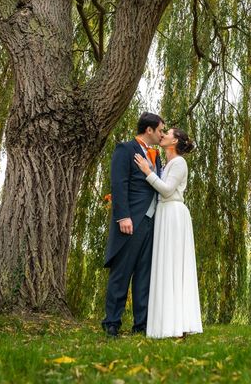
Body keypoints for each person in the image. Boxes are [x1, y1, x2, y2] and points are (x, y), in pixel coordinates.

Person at [134, 128, 202, 338]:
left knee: (173, 265)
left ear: (175, 141)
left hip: (173, 214)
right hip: (164, 214)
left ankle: (177, 323)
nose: (162, 135)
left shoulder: (180, 162)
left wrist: (148, 172)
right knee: (165, 266)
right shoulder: (167, 164)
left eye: (167, 133)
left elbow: (166, 190)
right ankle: (166, 322)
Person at [102, 112, 165, 337]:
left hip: (150, 223)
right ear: (149, 130)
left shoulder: (156, 157)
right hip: (130, 222)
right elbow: (119, 184)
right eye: (160, 130)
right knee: (122, 272)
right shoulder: (125, 150)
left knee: (144, 275)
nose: (162, 135)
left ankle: (142, 324)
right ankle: (112, 322)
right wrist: (123, 217)